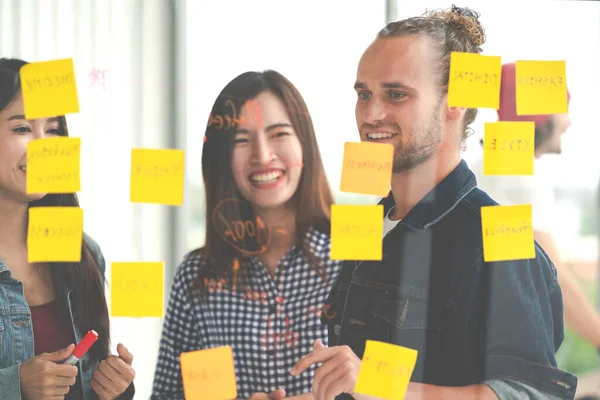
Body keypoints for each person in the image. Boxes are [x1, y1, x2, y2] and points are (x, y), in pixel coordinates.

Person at [291, 6, 578, 400]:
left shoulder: (499, 236)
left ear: (454, 102)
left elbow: (529, 393)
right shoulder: (368, 227)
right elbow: (358, 381)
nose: (370, 114)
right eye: (363, 94)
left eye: (395, 94)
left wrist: (375, 384)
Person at [151, 70, 342, 399]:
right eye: (241, 139)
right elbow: (168, 395)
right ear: (222, 159)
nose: (263, 155)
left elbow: (397, 385)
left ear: (305, 145)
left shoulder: (356, 258)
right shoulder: (196, 279)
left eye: (279, 133)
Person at [0, 58, 135, 399]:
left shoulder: (84, 252)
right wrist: (15, 387)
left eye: (53, 129)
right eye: (22, 128)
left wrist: (116, 389)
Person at [471, 63, 600, 354]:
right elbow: (554, 281)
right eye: (562, 109)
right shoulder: (518, 178)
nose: (568, 122)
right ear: (540, 118)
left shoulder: (488, 166)